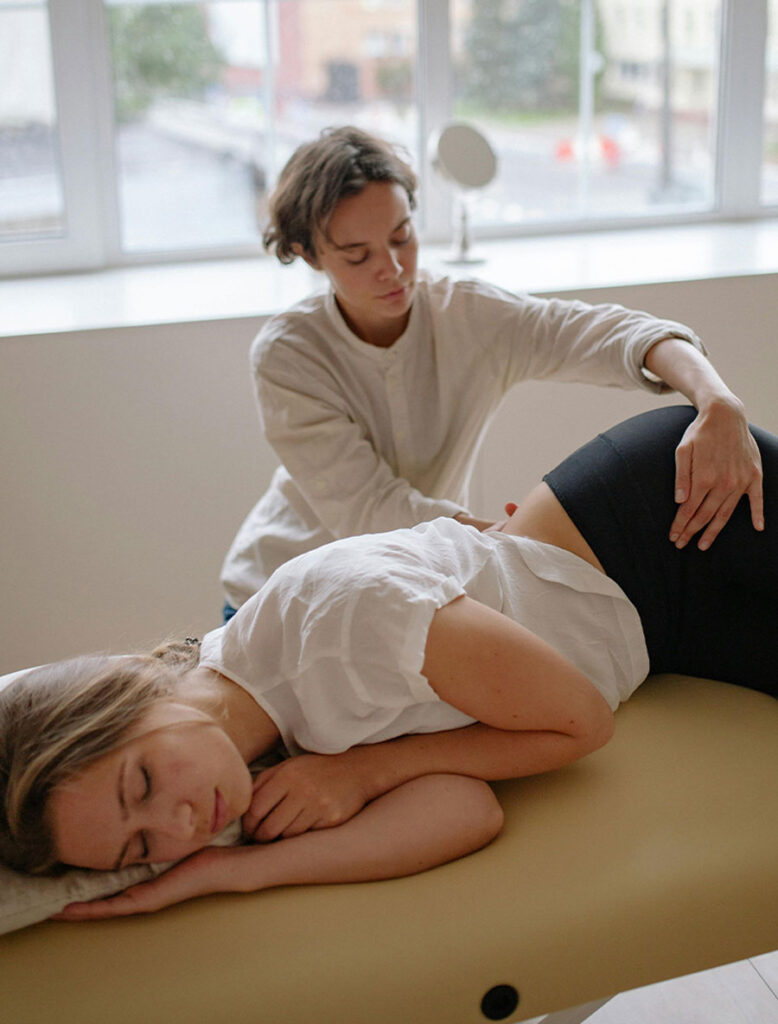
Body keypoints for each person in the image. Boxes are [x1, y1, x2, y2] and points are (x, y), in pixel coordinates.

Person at [1, 405, 775, 922]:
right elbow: (464, 813)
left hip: (671, 524)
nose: (175, 825)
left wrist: (366, 772)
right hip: (655, 623)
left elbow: (581, 721)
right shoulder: (248, 749)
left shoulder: (340, 622)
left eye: (140, 783)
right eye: (139, 851)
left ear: (132, 694)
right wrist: (225, 875)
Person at [220, 125, 763, 618]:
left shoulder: (467, 314)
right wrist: (512, 538)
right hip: (276, 594)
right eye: (357, 255)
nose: (392, 267)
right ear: (310, 255)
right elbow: (372, 509)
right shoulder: (288, 355)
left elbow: (603, 333)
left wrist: (717, 400)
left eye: (402, 236)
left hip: (404, 586)